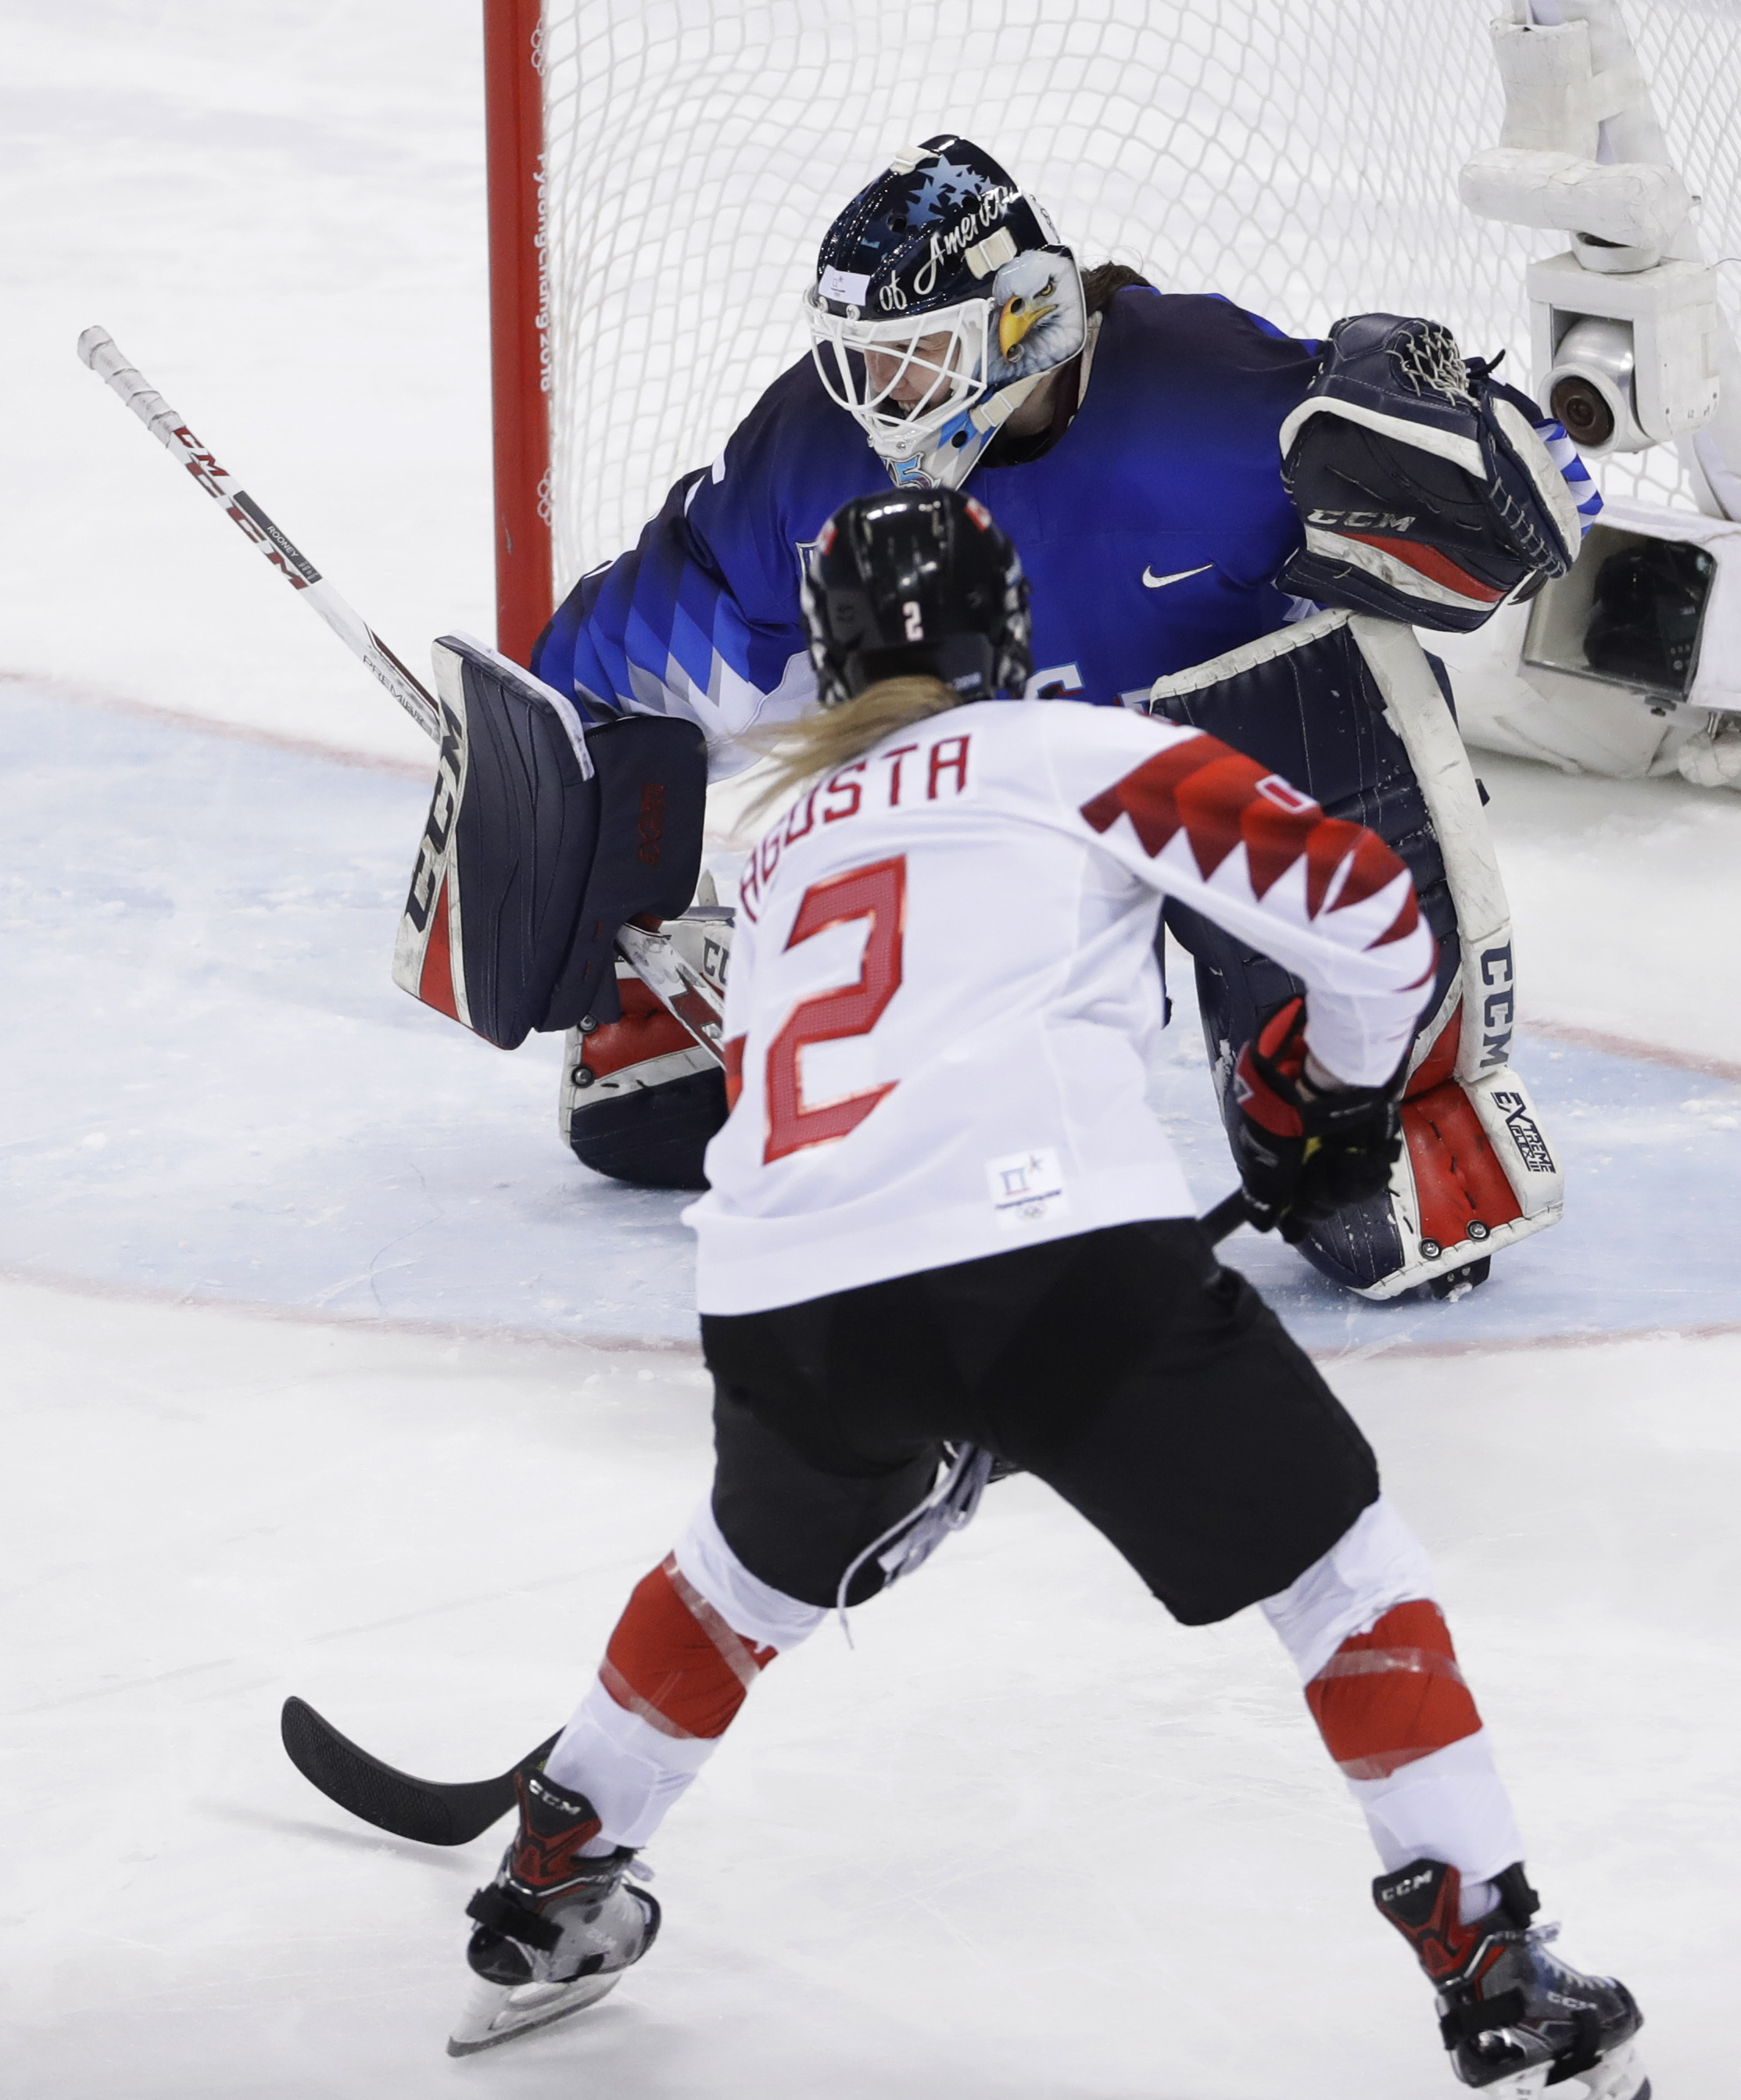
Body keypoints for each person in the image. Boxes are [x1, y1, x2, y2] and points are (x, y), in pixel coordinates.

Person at [449, 489, 1644, 2098]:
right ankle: (1494, 1969)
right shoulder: (1076, 752)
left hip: (781, 1303)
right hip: (1054, 1263)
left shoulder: (784, 838)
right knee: (1342, 1576)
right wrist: (1334, 1101)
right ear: (1003, 629)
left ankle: (549, 1891)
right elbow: (1366, 907)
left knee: (735, 1580)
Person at [534, 134, 1591, 1302]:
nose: (883, 403)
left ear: (1021, 315)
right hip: (994, 809)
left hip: (1215, 779)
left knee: (1338, 691)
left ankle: (1379, 1089)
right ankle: (692, 1009)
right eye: (864, 365)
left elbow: (1517, 516)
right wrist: (561, 790)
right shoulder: (822, 452)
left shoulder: (1211, 402)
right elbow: (650, 652)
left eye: (918, 359)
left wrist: (1490, 446)